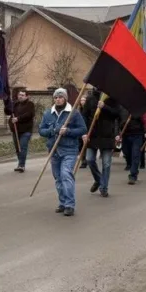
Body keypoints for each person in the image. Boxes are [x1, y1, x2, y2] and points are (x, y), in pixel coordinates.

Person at [38, 87, 87, 216]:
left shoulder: (74, 113)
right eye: (56, 97)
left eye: (60, 97)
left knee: (66, 175)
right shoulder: (48, 113)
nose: (58, 99)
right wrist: (53, 130)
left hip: (69, 149)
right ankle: (63, 202)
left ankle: (70, 204)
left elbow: (82, 129)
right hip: (53, 150)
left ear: (65, 98)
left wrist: (68, 132)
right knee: (58, 179)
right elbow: (41, 130)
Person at [82, 89, 122, 197]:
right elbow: (84, 116)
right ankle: (99, 179)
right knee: (89, 159)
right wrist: (84, 132)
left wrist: (105, 107)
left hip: (107, 135)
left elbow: (117, 114)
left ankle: (104, 187)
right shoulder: (90, 99)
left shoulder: (113, 99)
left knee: (106, 163)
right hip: (93, 134)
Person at [11, 87, 36, 172]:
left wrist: (18, 119)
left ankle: (22, 165)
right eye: (19, 95)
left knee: (22, 147)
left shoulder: (30, 104)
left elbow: (29, 114)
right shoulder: (15, 104)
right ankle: (20, 163)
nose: (20, 96)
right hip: (16, 130)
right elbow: (9, 112)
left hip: (26, 130)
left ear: (26, 96)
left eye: (22, 95)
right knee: (18, 148)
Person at [120, 114, 145, 184]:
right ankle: (133, 167)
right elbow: (118, 118)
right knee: (126, 152)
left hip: (137, 134)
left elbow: (145, 119)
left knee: (135, 154)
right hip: (125, 133)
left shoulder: (139, 108)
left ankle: (133, 175)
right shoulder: (122, 107)